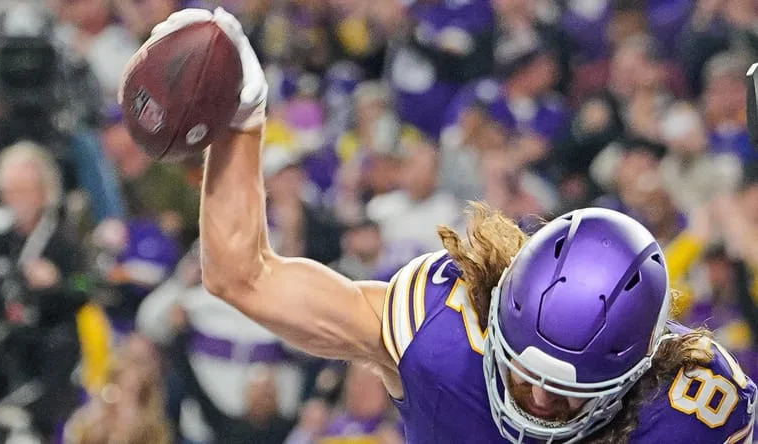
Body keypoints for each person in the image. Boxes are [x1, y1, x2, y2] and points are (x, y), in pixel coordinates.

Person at [160, 8, 758, 443]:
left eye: (568, 390)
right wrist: (240, 120)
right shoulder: (439, 334)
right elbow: (243, 277)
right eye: (522, 372)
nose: (540, 400)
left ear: (637, 373)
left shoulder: (696, 412)